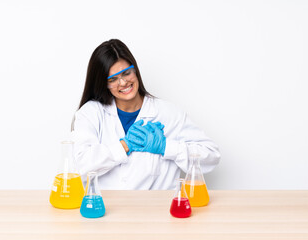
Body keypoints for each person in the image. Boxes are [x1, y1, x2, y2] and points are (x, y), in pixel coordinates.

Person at [72, 39, 220, 190]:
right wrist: (124, 145)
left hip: (157, 210)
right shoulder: (90, 113)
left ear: (135, 70)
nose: (122, 83)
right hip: (104, 209)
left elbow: (211, 156)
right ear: (103, 83)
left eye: (126, 73)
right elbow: (79, 168)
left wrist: (166, 147)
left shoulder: (168, 113)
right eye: (113, 79)